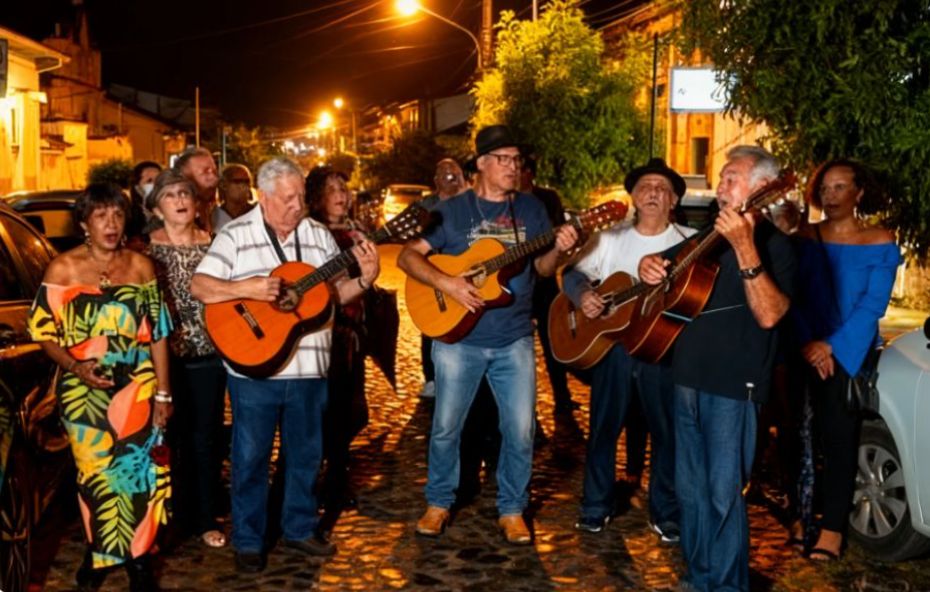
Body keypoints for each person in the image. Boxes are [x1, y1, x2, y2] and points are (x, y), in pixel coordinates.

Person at [190, 157, 379, 573]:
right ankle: (249, 539)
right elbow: (200, 286)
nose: (298, 205)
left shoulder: (317, 235)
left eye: (300, 197)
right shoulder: (235, 235)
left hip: (310, 368)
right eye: (289, 198)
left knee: (307, 455)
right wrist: (249, 287)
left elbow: (332, 296)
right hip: (254, 368)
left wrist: (363, 278)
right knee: (251, 457)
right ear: (264, 195)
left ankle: (299, 528)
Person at [398, 125, 578, 544]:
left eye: (517, 160)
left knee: (520, 430)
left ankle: (513, 509)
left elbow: (543, 269)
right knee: (446, 426)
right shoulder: (453, 211)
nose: (513, 167)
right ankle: (439, 502)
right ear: (480, 164)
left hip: (513, 336)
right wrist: (448, 284)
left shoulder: (532, 211)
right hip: (458, 340)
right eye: (503, 159)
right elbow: (408, 257)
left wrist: (561, 247)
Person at [639, 146, 797, 591]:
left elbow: (771, 314)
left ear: (763, 189)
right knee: (689, 493)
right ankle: (698, 577)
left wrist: (746, 247)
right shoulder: (705, 237)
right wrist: (648, 265)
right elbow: (661, 268)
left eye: (731, 178)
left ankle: (727, 585)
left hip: (733, 385)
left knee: (722, 494)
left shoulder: (776, 246)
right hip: (686, 376)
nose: (720, 186)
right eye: (722, 178)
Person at [27, 183, 172, 592]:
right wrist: (75, 364)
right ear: (84, 223)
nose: (111, 224)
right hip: (83, 389)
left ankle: (139, 562)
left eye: (118, 215)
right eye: (101, 216)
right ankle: (99, 554)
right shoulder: (62, 269)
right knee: (96, 476)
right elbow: (43, 332)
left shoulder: (141, 267)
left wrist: (163, 392)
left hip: (138, 386)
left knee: (140, 473)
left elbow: (157, 332)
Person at [562, 158, 692, 540]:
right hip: (613, 349)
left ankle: (665, 510)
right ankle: (594, 505)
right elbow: (571, 275)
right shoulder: (610, 238)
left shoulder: (688, 243)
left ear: (673, 201)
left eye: (662, 188)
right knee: (603, 428)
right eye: (645, 187)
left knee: (667, 434)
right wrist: (584, 295)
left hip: (661, 350)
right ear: (633, 197)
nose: (653, 193)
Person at [790, 159, 900, 561]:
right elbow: (792, 293)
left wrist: (831, 347)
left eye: (839, 188)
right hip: (802, 345)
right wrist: (808, 342)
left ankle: (833, 529)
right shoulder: (803, 236)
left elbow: (873, 305)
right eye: (825, 188)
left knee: (839, 440)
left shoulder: (880, 240)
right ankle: (799, 513)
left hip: (847, 353)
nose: (830, 195)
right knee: (794, 436)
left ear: (859, 193)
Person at [144, 169, 228, 549]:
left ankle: (206, 516)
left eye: (185, 194)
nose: (179, 201)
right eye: (170, 195)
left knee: (206, 438)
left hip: (208, 354)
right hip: (160, 359)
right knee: (165, 440)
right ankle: (168, 518)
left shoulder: (216, 244)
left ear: (196, 204)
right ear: (157, 208)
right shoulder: (143, 250)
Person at [305, 165, 370, 510]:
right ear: (316, 196)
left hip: (351, 333)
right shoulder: (310, 232)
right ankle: (318, 481)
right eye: (332, 190)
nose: (341, 196)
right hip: (322, 332)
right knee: (323, 411)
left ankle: (336, 477)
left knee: (351, 411)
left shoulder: (357, 231)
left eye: (343, 188)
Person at [520, 154, 575, 414]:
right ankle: (524, 407)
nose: (516, 174)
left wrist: (560, 241)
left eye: (521, 170)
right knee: (520, 350)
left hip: (545, 284)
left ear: (530, 173)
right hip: (516, 286)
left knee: (554, 342)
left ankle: (562, 397)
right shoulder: (503, 201)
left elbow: (559, 229)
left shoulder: (547, 199)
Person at [175, 147, 220, 233]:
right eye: (205, 172)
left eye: (214, 172)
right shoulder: (178, 221)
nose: (213, 178)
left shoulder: (213, 214)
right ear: (185, 179)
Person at [213, 163, 255, 233]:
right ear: (224, 185)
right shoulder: (215, 217)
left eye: (247, 181)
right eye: (238, 181)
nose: (243, 186)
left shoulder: (259, 214)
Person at [128, 160, 161, 240]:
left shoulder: (173, 211)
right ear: (137, 188)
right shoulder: (129, 217)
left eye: (159, 180)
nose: (156, 184)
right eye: (149, 181)